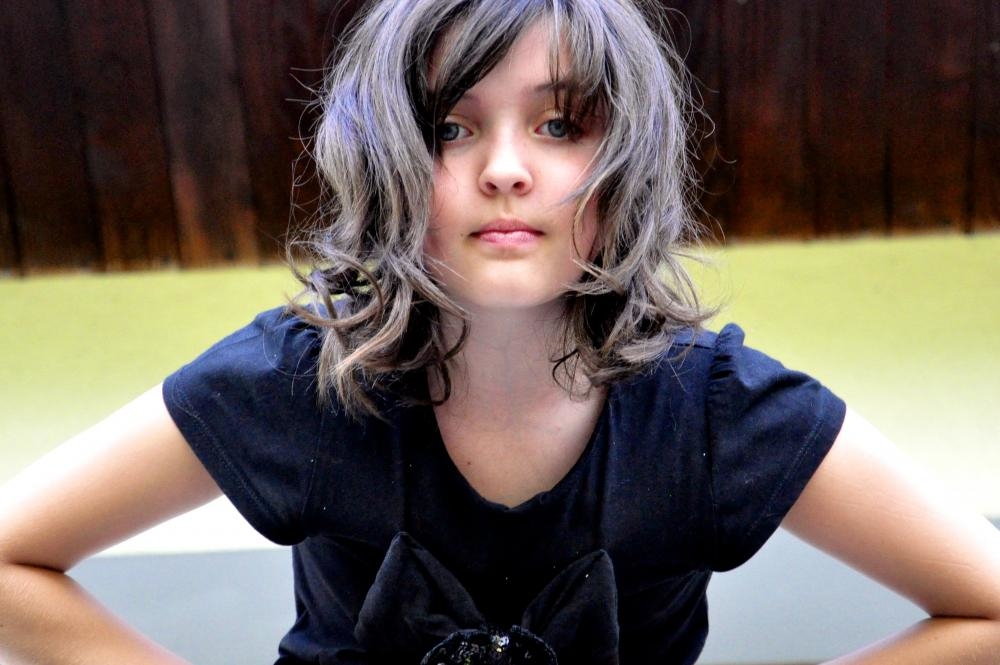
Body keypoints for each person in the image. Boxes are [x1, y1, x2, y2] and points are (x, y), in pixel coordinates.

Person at [1, 0, 998, 662]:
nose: (507, 168)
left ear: (626, 161)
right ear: (388, 159)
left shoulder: (716, 411)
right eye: (451, 127)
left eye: (560, 125)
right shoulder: (296, 380)